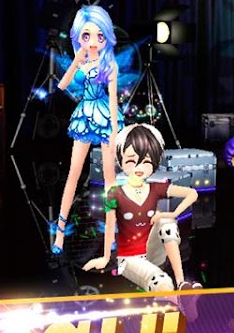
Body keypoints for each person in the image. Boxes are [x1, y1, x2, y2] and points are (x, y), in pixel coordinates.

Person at [84, 124, 201, 291]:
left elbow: (192, 194)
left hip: (152, 253)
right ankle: (179, 303)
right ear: (121, 161)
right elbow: (110, 226)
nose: (139, 168)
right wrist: (106, 257)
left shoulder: (156, 188)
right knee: (161, 282)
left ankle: (181, 282)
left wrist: (172, 214)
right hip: (128, 259)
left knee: (166, 222)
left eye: (146, 161)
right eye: (131, 161)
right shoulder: (114, 193)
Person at [51, 5, 121, 255]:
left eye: (99, 36)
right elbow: (62, 86)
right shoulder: (81, 62)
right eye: (86, 35)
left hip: (104, 115)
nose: (93, 41)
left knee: (110, 179)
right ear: (78, 37)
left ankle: (111, 235)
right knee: (73, 173)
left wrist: (114, 130)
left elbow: (113, 100)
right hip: (84, 114)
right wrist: (76, 61)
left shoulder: (110, 65)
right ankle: (60, 235)